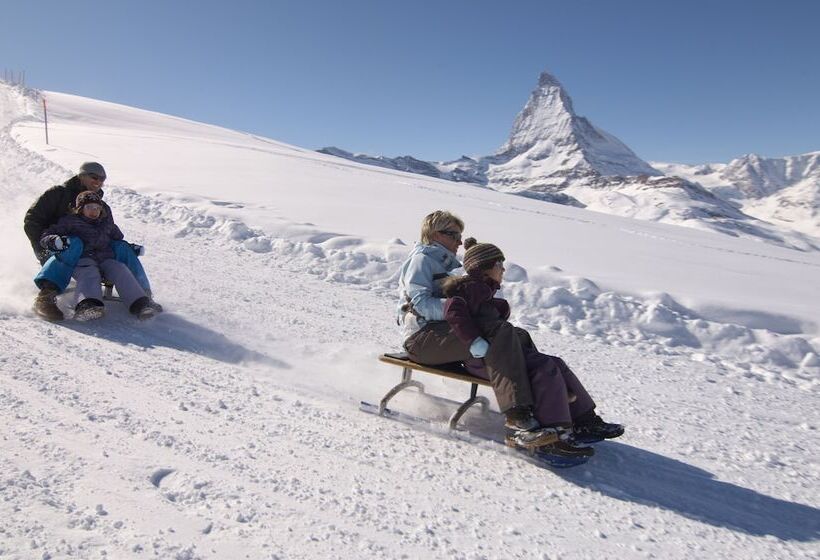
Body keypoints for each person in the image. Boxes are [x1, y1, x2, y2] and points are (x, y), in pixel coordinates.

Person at [442, 238, 624, 459]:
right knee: (544, 368)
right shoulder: (469, 289)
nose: (503, 269)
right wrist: (474, 341)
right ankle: (553, 435)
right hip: (486, 360)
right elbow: (453, 312)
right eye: (499, 264)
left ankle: (584, 420)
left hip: (502, 356)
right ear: (484, 268)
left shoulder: (483, 291)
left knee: (556, 363)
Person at [397, 210, 561, 450]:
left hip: (441, 335)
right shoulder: (422, 261)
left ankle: (544, 403)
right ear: (434, 235)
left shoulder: (448, 265)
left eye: (460, 236)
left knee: (515, 335)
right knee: (499, 334)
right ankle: (518, 420)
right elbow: (421, 304)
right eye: (453, 235)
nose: (459, 241)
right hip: (421, 339)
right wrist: (462, 308)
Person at [23, 162, 158, 321]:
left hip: (96, 254)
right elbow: (32, 221)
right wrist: (46, 248)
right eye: (94, 177)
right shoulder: (58, 194)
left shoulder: (102, 206)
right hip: (59, 248)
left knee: (121, 247)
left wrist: (129, 247)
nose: (98, 181)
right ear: (81, 176)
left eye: (102, 179)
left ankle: (143, 297)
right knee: (75, 243)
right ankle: (46, 296)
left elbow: (112, 233)